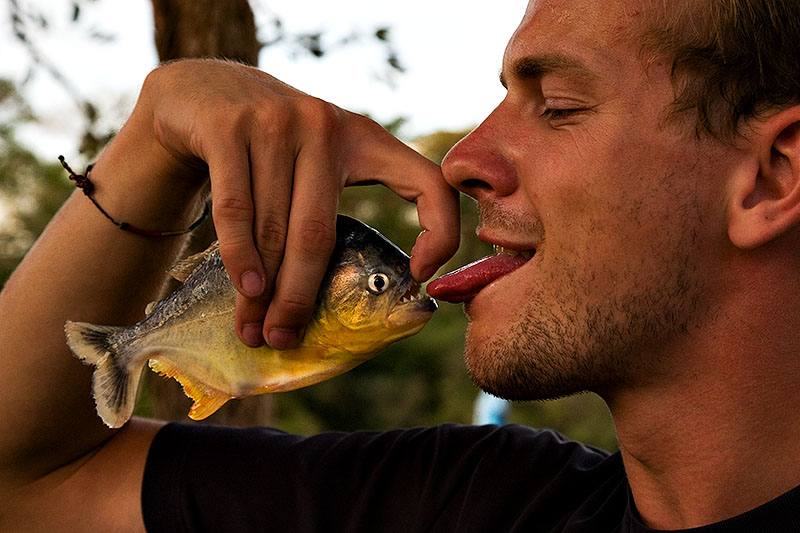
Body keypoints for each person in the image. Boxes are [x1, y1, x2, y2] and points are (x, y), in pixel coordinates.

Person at [2, 0, 800, 530]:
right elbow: (25, 483)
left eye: (556, 106)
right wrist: (157, 133)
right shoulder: (473, 503)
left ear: (771, 177)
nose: (462, 161)